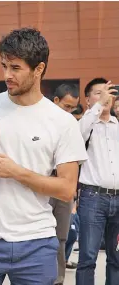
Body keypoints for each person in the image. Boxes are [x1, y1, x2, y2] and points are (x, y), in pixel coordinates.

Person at [0, 28, 88, 285]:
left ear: (38, 69)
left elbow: (65, 189)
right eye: (4, 66)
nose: (7, 75)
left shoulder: (62, 121)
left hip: (37, 243)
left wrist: (14, 171)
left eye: (15, 68)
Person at [76, 78, 118, 285]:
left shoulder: (117, 124)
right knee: (87, 258)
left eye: (108, 92)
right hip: (93, 199)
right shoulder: (84, 125)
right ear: (88, 100)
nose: (105, 97)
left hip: (118, 199)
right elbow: (77, 134)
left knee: (116, 258)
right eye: (98, 93)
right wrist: (99, 105)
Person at [47, 83, 80, 285]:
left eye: (72, 109)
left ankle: (58, 279)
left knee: (61, 237)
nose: (69, 112)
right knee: (42, 235)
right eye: (66, 107)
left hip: (64, 188)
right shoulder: (41, 122)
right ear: (56, 101)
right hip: (43, 184)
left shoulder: (71, 126)